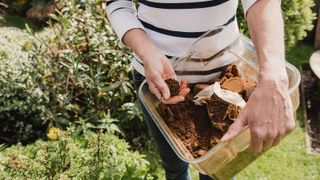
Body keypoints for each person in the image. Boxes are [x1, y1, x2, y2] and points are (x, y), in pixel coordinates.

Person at [106, 0, 295, 179]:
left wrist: (273, 78)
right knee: (174, 168)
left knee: (218, 171)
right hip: (159, 85)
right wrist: (147, 51)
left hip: (226, 82)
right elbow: (117, 3)